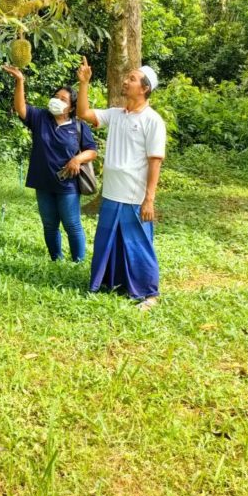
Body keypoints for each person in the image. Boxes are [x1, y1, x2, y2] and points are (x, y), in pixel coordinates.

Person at [76, 57, 166, 311]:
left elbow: (155, 161)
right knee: (109, 240)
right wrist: (84, 83)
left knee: (138, 244)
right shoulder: (116, 115)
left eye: (132, 79)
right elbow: (83, 113)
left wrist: (149, 199)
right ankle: (112, 282)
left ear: (145, 88)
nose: (125, 82)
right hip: (113, 193)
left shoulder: (152, 120)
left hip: (134, 195)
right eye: (127, 77)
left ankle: (149, 294)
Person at [0, 64, 98, 263]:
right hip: (43, 181)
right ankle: (56, 259)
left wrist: (77, 159)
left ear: (71, 107)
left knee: (72, 224)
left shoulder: (78, 126)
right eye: (56, 96)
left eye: (63, 99)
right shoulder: (41, 118)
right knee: (49, 224)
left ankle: (78, 261)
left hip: (67, 183)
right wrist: (20, 81)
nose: (57, 101)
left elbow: (92, 151)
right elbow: (21, 108)